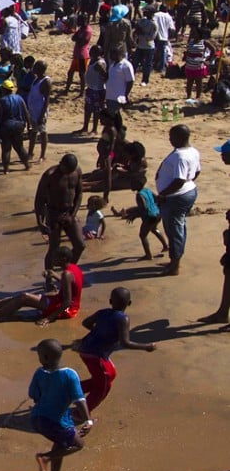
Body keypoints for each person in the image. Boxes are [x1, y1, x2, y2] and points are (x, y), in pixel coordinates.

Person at [76, 287, 156, 412]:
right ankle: (80, 413)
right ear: (129, 303)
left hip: (85, 349)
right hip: (96, 355)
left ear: (110, 301)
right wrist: (146, 347)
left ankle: (70, 390)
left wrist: (98, 331)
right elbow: (125, 342)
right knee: (102, 387)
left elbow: (85, 323)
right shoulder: (123, 319)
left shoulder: (102, 312)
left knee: (110, 374)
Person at [29, 338, 93, 471]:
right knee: (78, 444)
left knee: (60, 443)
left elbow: (33, 394)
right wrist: (88, 421)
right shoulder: (69, 374)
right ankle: (45, 458)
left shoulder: (39, 373)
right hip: (56, 421)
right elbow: (79, 400)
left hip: (37, 419)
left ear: (44, 358)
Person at [0, 246, 82, 325]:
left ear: (63, 259)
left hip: (67, 309)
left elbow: (67, 302)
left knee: (24, 297)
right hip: (61, 301)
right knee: (21, 296)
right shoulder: (73, 268)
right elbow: (71, 285)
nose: (52, 259)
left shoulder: (66, 274)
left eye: (55, 257)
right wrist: (54, 275)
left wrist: (48, 318)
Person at [155, 124, 201, 276]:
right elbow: (196, 172)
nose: (169, 139)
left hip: (176, 198)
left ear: (180, 137)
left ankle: (175, 265)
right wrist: (189, 182)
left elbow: (179, 180)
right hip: (186, 193)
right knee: (179, 227)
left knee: (174, 230)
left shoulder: (180, 156)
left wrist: (163, 194)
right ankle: (174, 260)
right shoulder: (192, 151)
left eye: (171, 136)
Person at [34, 154, 85, 273]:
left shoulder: (77, 171)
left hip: (69, 212)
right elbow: (39, 200)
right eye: (66, 170)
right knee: (53, 248)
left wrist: (72, 215)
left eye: (70, 170)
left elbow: (79, 194)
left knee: (80, 245)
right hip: (53, 213)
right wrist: (40, 221)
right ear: (61, 163)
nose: (67, 173)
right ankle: (49, 280)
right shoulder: (49, 175)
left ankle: (68, 271)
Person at [0, 79, 31, 174]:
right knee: (19, 147)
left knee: (6, 149)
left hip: (6, 127)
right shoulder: (19, 98)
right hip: (19, 126)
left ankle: (6, 170)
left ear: (4, 90)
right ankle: (27, 165)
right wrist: (29, 126)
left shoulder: (2, 101)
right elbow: (26, 112)